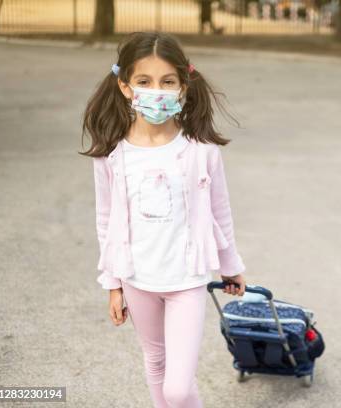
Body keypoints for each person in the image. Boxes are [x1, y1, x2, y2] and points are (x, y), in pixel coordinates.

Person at [80, 32, 246, 408]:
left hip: (187, 279)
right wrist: (113, 283)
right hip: (138, 278)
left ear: (183, 85)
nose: (157, 91)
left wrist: (230, 266)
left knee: (177, 387)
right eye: (144, 81)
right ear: (124, 86)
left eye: (167, 82)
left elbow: (220, 211)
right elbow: (106, 220)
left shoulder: (200, 150)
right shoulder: (112, 154)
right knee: (155, 362)